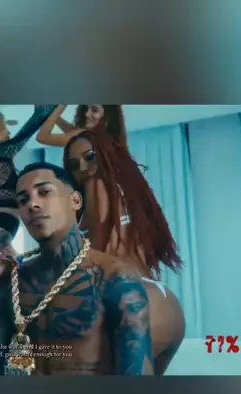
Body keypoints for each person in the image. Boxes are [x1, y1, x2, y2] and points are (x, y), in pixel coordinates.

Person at [36, 105, 185, 374]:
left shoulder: (96, 182)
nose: (83, 168)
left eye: (89, 158)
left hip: (130, 294)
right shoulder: (125, 179)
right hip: (165, 301)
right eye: (74, 165)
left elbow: (99, 238)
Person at [0, 162, 154, 376]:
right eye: (23, 200)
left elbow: (137, 376)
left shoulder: (115, 277)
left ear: (75, 200)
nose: (32, 204)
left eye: (44, 192)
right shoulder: (11, 281)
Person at [0, 106, 57, 281]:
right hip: (2, 223)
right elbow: (25, 133)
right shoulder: (1, 153)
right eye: (3, 128)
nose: (8, 132)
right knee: (8, 271)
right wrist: (48, 108)